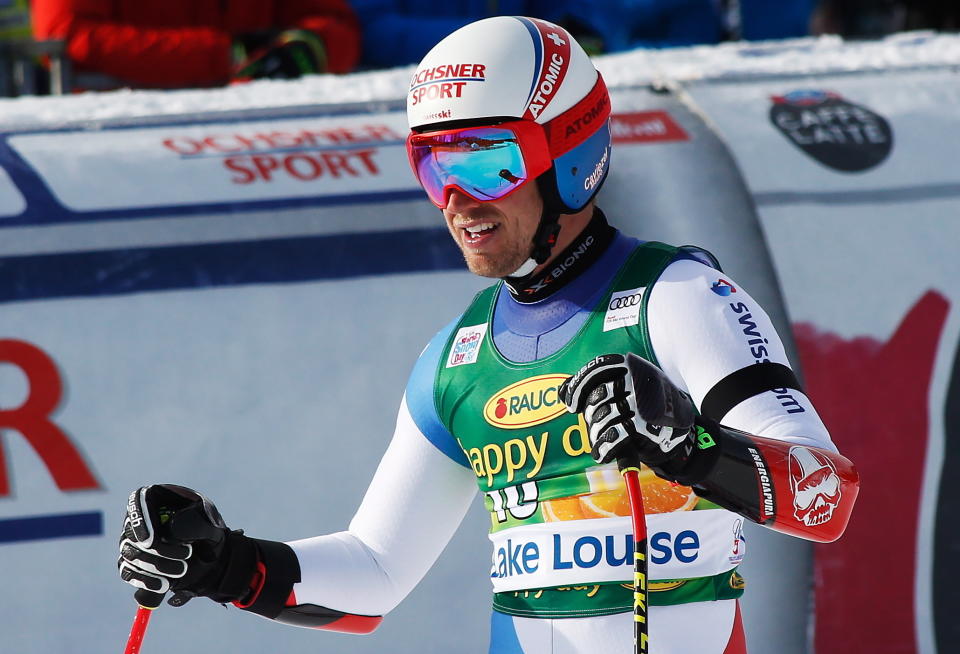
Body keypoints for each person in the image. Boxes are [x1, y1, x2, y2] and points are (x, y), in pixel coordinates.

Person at [117, 16, 859, 653]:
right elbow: (375, 573)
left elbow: (828, 499)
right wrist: (223, 565)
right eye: (434, 165)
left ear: (569, 157)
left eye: (489, 163)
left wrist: (692, 449)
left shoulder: (679, 300)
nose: (457, 200)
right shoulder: (452, 360)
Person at [30, 0, 360, 90]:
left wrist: (309, 48)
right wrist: (223, 54)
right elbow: (65, 34)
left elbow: (335, 23)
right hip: (126, 140)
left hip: (264, 136)